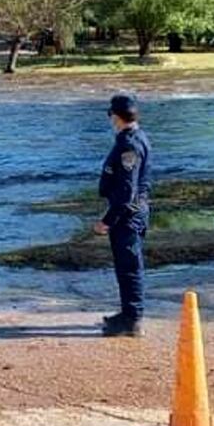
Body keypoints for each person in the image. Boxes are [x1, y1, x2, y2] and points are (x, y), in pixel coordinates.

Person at [93, 93, 152, 337]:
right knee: (127, 266)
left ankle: (132, 319)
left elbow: (126, 193)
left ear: (116, 117)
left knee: (129, 267)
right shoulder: (135, 138)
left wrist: (107, 221)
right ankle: (128, 313)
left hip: (128, 215)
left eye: (111, 115)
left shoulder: (129, 145)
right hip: (131, 211)